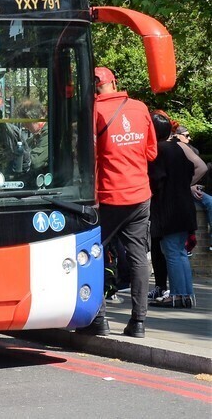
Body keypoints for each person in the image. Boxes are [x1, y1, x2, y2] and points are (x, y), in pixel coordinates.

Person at [82, 66, 157, 338]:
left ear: (93, 86)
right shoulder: (139, 107)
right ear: (114, 82)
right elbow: (151, 152)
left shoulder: (93, 112)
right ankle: (138, 323)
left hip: (108, 197)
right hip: (140, 195)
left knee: (93, 253)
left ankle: (98, 319)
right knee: (138, 256)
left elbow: (88, 159)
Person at [148, 111, 208, 308]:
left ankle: (175, 295)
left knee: (172, 252)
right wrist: (184, 184)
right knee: (180, 252)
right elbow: (201, 167)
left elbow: (155, 181)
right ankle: (186, 295)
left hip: (169, 209)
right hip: (184, 206)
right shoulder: (180, 147)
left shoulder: (158, 151)